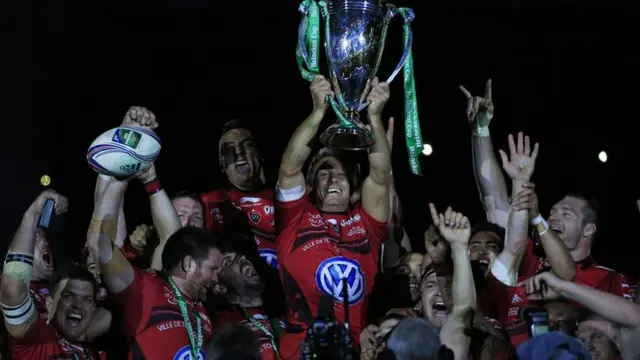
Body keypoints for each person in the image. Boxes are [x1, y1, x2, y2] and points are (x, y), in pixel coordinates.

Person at [275, 75, 391, 358]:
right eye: (324, 173)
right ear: (311, 186)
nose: (333, 179)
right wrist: (317, 112)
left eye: (341, 173)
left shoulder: (367, 226)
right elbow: (290, 168)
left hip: (354, 350)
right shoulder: (295, 219)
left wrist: (374, 117)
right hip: (301, 351)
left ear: (354, 190)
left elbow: (380, 176)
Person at [86, 171, 222, 359]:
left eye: (197, 217)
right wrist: (119, 179)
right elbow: (101, 244)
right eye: (213, 270)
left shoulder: (203, 310)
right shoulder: (145, 287)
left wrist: (151, 179)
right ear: (188, 264)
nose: (216, 278)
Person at [202, 119, 279, 269]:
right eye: (229, 150)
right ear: (222, 164)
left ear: (259, 153)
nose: (238, 152)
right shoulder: (209, 202)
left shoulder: (284, 196)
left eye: (247, 145)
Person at [212, 228, 283, 360]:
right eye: (227, 262)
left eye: (238, 255)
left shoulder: (287, 305)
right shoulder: (223, 327)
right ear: (221, 288)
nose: (241, 258)